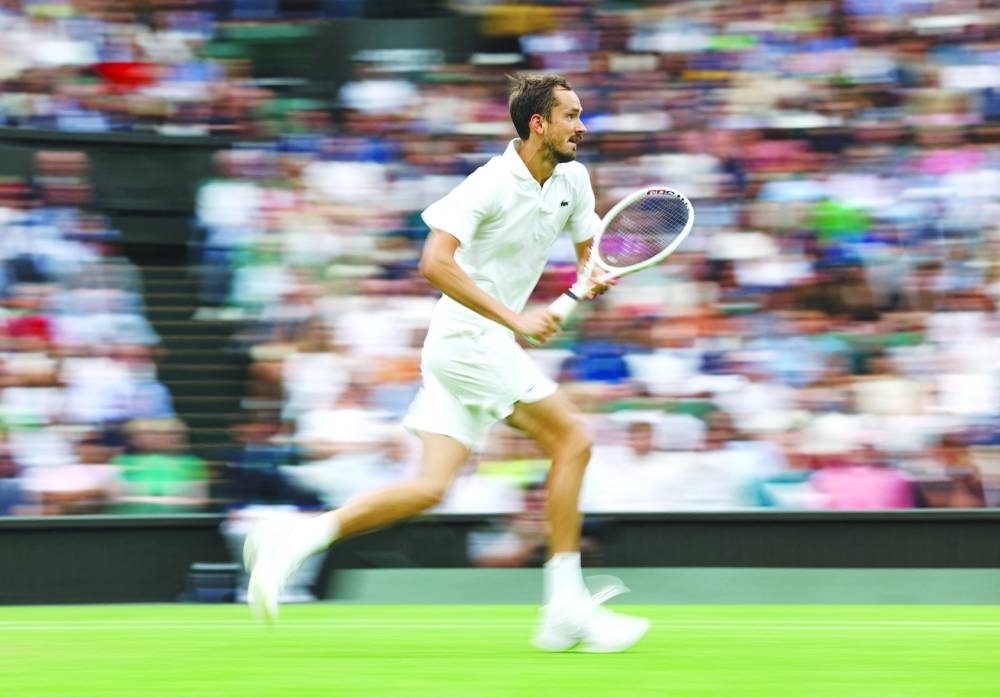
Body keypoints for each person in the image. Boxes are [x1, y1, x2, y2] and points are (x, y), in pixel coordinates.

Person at [244, 73, 650, 653]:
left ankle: (294, 539)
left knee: (429, 487)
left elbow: (591, 258)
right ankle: (565, 609)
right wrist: (515, 320)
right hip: (468, 341)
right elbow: (433, 263)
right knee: (574, 440)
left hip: (474, 346)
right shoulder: (486, 183)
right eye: (572, 116)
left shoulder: (574, 179)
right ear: (539, 123)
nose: (583, 126)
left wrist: (595, 276)